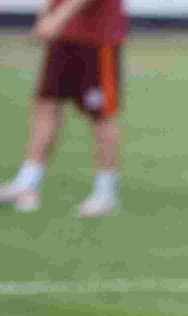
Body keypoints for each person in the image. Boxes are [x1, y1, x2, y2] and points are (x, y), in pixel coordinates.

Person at [0, 0, 127, 216]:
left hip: (97, 38)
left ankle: (105, 192)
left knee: (101, 115)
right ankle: (27, 182)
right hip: (64, 36)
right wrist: (46, 16)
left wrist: (58, 17)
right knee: (46, 103)